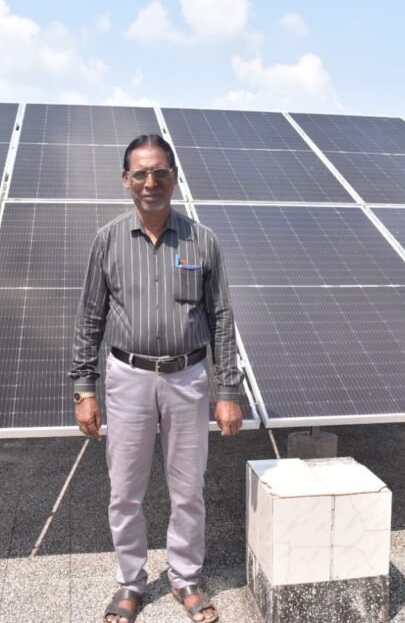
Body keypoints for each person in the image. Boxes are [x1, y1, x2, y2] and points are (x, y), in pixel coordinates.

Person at [70, 134, 244, 623]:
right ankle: (131, 582)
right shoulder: (107, 240)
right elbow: (90, 317)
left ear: (174, 177)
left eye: (160, 172)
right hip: (127, 377)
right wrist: (84, 388)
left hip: (188, 377)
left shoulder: (202, 241)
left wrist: (228, 390)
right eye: (141, 173)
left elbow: (222, 318)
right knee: (125, 489)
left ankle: (186, 578)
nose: (152, 182)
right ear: (126, 180)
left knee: (188, 489)